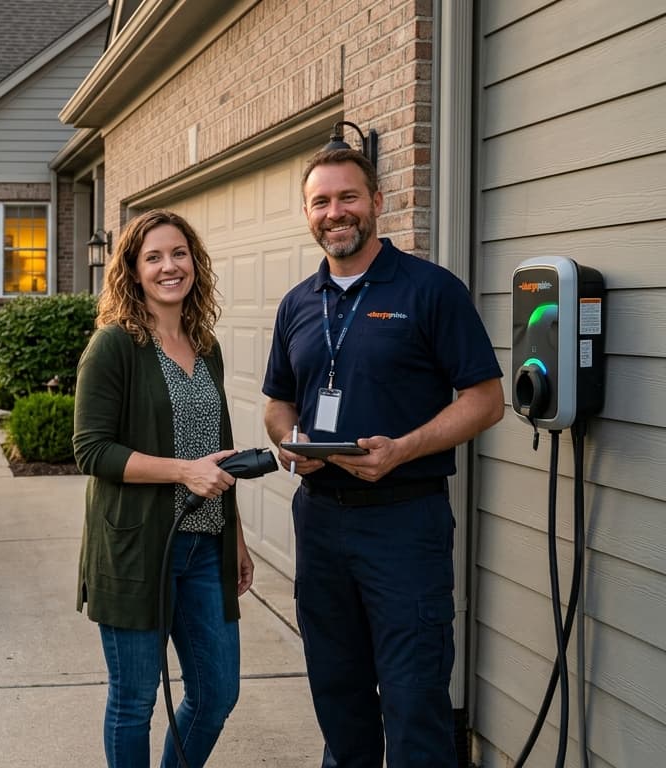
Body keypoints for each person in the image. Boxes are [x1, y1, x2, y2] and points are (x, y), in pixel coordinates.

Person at [262, 147, 504, 767]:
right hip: (320, 521)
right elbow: (278, 404)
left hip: (405, 522)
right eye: (321, 201)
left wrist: (402, 450)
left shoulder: (429, 290)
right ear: (307, 213)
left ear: (376, 201)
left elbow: (486, 400)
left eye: (348, 197)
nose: (335, 213)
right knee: (338, 696)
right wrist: (296, 449)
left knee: (414, 697)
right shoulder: (297, 303)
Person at [73, 208, 255, 768]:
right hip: (137, 550)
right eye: (153, 257)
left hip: (206, 547)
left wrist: (238, 538)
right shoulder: (114, 346)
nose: (168, 266)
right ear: (132, 270)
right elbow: (90, 449)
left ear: (194, 264)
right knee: (134, 701)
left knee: (217, 692)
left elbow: (219, 450)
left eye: (179, 254)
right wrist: (182, 470)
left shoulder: (206, 346)